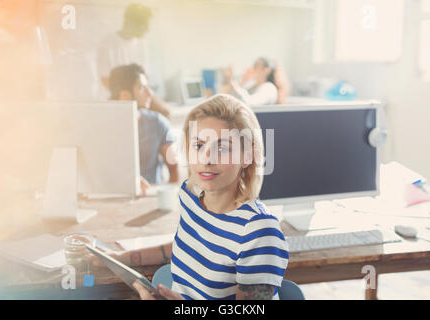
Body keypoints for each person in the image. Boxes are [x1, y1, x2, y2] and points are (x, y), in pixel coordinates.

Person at [92, 94, 289, 300]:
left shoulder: (259, 231)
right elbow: (188, 244)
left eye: (222, 148)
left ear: (247, 156)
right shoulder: (191, 195)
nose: (207, 159)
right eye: (198, 145)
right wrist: (123, 258)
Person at [108, 63, 179, 189]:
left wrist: (167, 197)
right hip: (117, 196)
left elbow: (174, 169)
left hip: (152, 197)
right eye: (142, 88)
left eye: (148, 87)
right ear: (125, 95)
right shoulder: (104, 127)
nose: (150, 93)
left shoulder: (158, 123)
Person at [97, 3, 169, 117]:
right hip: (116, 99)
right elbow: (105, 80)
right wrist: (131, 98)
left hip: (137, 97)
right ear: (131, 22)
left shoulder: (141, 45)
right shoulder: (108, 44)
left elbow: (145, 77)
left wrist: (144, 97)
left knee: (165, 112)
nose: (147, 29)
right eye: (144, 25)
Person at [221, 57, 290, 105]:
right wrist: (242, 82)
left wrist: (233, 82)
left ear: (266, 70)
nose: (252, 69)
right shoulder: (252, 87)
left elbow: (249, 103)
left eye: (255, 67)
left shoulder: (269, 88)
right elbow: (233, 100)